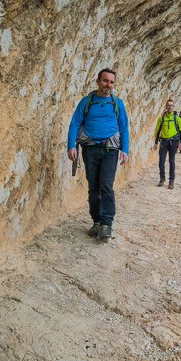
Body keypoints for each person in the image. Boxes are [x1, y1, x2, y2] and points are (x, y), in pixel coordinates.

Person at [66, 69, 130, 240]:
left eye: (111, 82)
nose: (108, 85)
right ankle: (96, 221)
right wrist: (71, 146)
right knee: (93, 187)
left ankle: (106, 224)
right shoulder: (87, 102)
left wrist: (125, 150)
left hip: (110, 150)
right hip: (90, 149)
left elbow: (124, 127)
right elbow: (75, 123)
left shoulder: (117, 103)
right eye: (105, 81)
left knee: (106, 185)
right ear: (98, 81)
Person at [155, 99, 181, 188]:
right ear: (166, 107)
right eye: (168, 105)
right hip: (164, 142)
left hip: (173, 142)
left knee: (171, 161)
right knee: (161, 161)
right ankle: (162, 178)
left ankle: (171, 181)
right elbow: (157, 131)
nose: (169, 107)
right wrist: (156, 143)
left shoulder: (177, 118)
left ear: (174, 107)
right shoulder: (161, 118)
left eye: (171, 105)